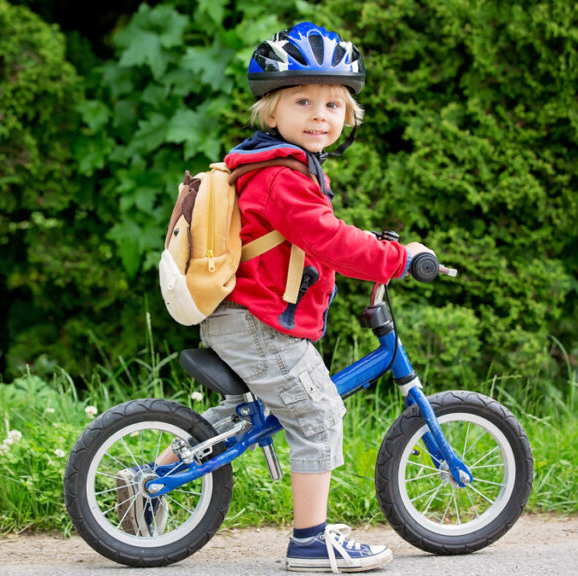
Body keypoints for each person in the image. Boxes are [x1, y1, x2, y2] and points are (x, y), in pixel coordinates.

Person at [118, 21, 431, 573]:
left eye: (334, 105)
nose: (319, 115)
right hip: (259, 322)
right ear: (271, 112)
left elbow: (312, 232)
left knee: (237, 418)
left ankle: (145, 482)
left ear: (348, 118)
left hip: (240, 316)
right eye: (303, 101)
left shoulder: (274, 167)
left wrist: (372, 243)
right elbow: (328, 239)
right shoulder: (283, 177)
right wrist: (396, 257)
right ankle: (310, 541)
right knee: (317, 413)